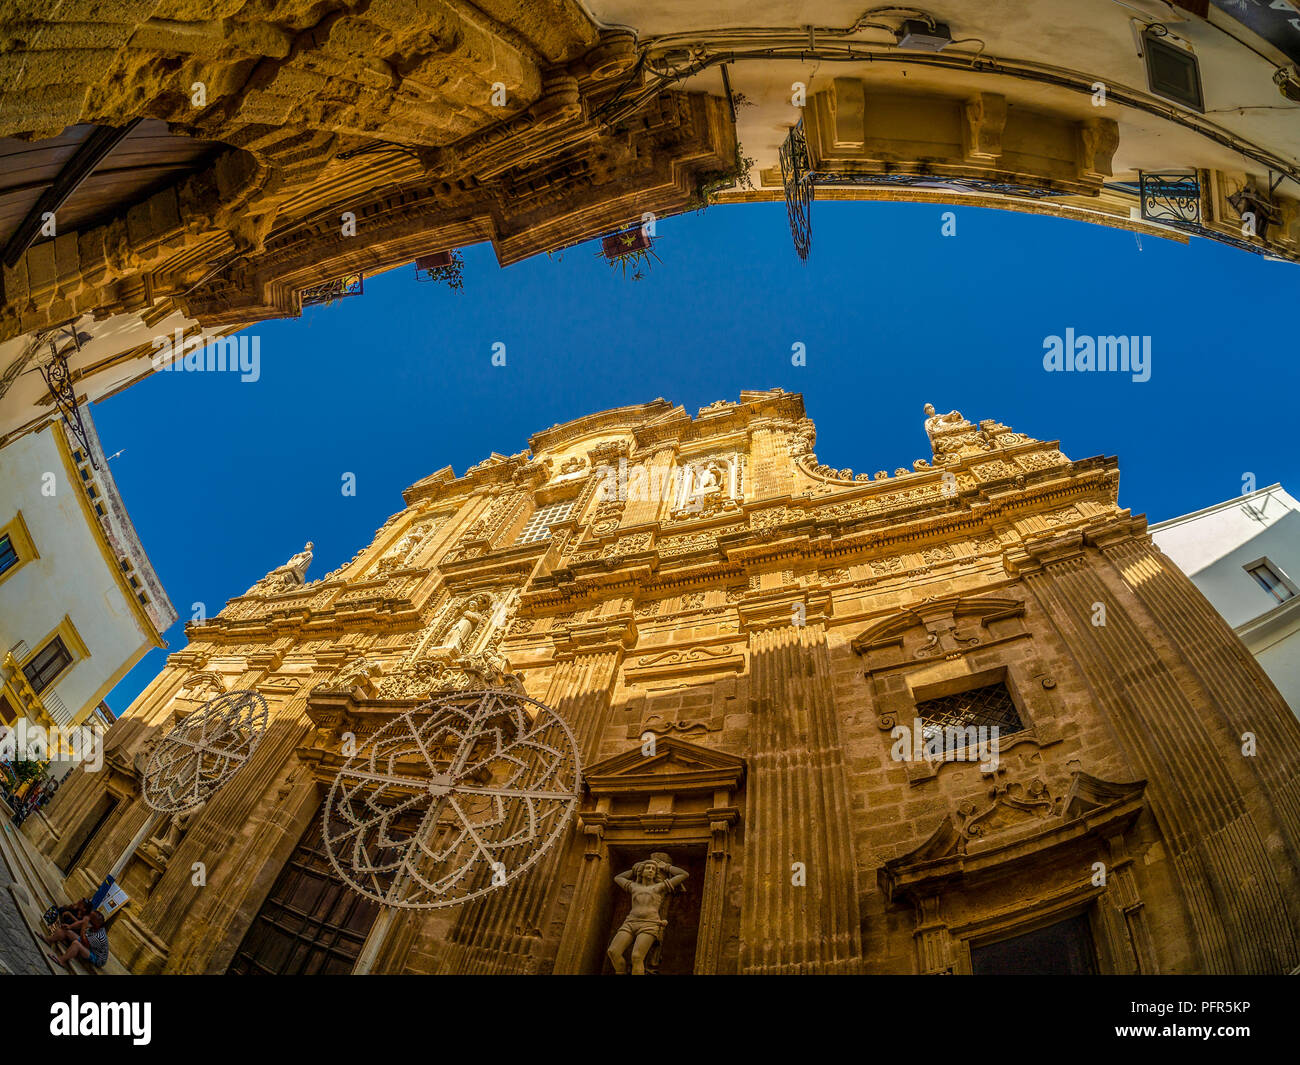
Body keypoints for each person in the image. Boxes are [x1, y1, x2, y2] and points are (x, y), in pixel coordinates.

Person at [606, 853, 688, 975]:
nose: (651, 871)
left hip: (649, 924)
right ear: (642, 871)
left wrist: (665, 867)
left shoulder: (659, 887)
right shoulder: (634, 886)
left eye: (653, 869)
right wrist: (634, 869)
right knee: (613, 952)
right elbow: (618, 878)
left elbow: (684, 874)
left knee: (637, 957)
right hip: (630, 922)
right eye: (648, 868)